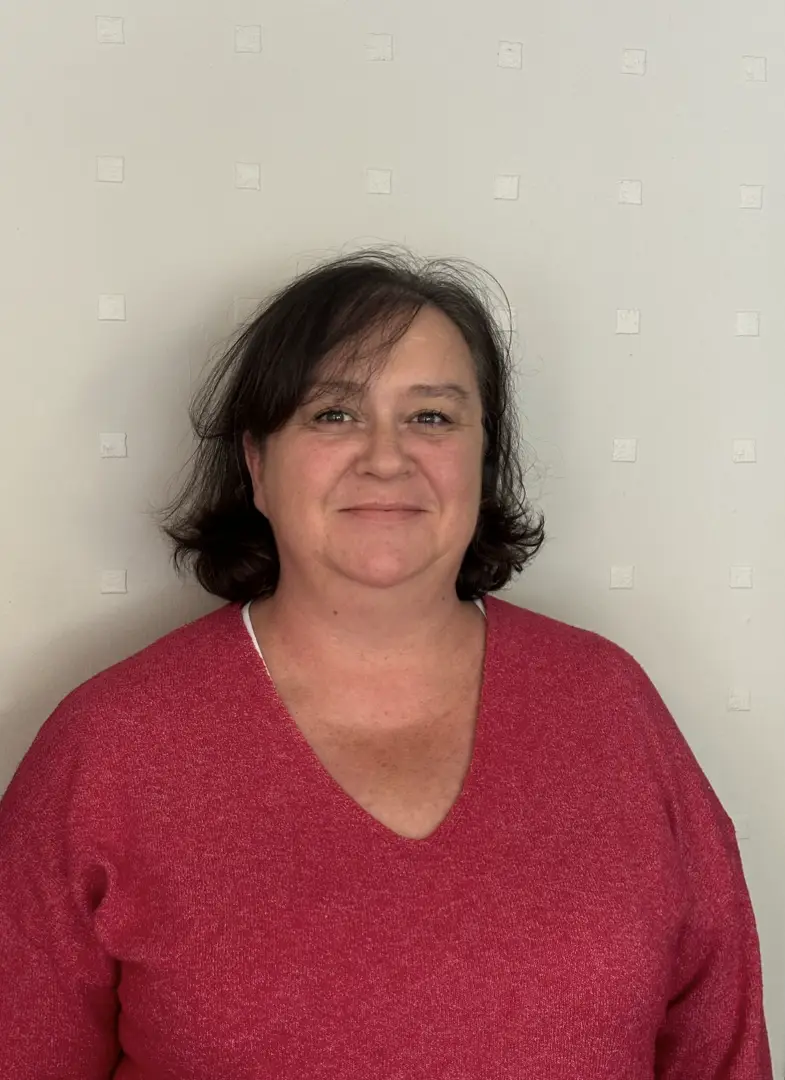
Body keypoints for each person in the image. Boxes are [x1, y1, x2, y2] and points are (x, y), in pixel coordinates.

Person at [0, 249, 773, 1078]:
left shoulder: (610, 708)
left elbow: (721, 1050)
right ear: (257, 464)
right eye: (332, 413)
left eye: (431, 417)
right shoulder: (109, 749)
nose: (385, 456)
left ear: (482, 461)